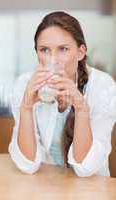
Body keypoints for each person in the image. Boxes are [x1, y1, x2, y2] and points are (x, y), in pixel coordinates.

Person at [8, 11, 116, 177]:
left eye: (63, 49)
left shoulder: (104, 86)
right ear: (37, 53)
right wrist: (26, 107)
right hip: (47, 187)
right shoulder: (25, 85)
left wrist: (81, 107)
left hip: (92, 189)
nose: (53, 60)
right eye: (44, 50)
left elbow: (85, 168)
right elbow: (27, 165)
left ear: (80, 52)